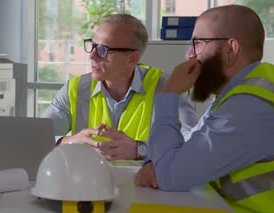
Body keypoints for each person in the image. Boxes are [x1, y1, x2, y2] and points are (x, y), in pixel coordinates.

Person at [135, 5, 274, 213]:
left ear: (231, 49)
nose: (190, 54)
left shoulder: (251, 108)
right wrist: (154, 163)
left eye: (198, 43)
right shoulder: (248, 92)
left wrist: (169, 94)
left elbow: (170, 175)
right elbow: (181, 158)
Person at [42, 14, 197, 161]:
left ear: (133, 57)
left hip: (145, 185)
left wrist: (140, 149)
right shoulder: (74, 89)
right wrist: (70, 142)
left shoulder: (167, 86)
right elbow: (37, 137)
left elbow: (193, 141)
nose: (92, 55)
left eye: (103, 50)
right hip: (88, 184)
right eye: (93, 46)